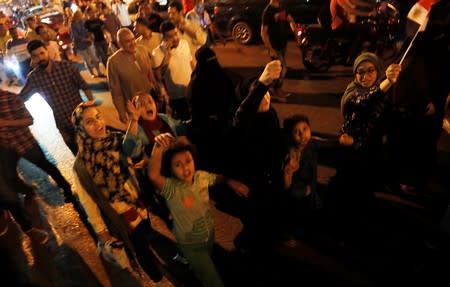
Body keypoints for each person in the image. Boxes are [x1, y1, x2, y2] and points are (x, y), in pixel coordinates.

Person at [71, 100, 165, 285]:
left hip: (139, 203)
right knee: (141, 250)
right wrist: (103, 234)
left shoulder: (115, 139)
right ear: (80, 129)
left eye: (98, 117)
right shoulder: (81, 166)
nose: (98, 124)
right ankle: (158, 279)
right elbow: (89, 204)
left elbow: (135, 152)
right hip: (122, 217)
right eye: (89, 122)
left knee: (148, 233)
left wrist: (141, 161)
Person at [148, 133, 249, 287]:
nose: (185, 167)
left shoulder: (201, 176)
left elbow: (217, 178)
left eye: (188, 161)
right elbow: (153, 175)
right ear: (171, 169)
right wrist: (158, 147)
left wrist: (230, 182)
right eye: (178, 165)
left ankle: (198, 272)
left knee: (215, 267)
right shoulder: (172, 188)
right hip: (192, 246)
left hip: (209, 236)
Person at [227, 60, 287, 251]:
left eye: (267, 92)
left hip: (273, 175)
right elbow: (243, 114)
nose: (265, 97)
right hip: (254, 180)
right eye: (260, 94)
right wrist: (262, 83)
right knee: (254, 218)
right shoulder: (243, 121)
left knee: (273, 211)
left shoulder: (271, 114)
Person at [19, 39, 94, 156]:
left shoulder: (65, 67)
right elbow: (20, 98)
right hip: (64, 124)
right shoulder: (34, 78)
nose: (41, 58)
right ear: (32, 58)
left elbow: (84, 86)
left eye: (42, 53)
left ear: (47, 51)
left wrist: (92, 107)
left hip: (82, 119)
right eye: (35, 56)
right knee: (79, 157)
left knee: (95, 152)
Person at [0, 88, 74, 203]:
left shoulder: (11, 98)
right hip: (7, 147)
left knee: (47, 166)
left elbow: (29, 120)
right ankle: (29, 192)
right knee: (10, 177)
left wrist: (6, 123)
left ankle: (66, 188)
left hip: (24, 143)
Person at [186, 45, 237, 171]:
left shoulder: (196, 81)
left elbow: (192, 104)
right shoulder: (225, 76)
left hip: (206, 128)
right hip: (222, 125)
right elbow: (233, 100)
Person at [107, 28, 160, 123]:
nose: (132, 43)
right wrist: (121, 112)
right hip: (135, 108)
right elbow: (115, 90)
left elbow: (150, 75)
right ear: (120, 44)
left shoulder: (142, 50)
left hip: (151, 101)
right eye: (127, 41)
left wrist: (158, 90)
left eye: (133, 39)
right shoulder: (113, 62)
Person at [152, 20, 193, 121]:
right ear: (164, 38)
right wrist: (167, 55)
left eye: (175, 34)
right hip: (176, 96)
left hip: (191, 91)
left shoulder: (184, 44)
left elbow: (191, 64)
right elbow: (158, 76)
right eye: (170, 36)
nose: (175, 38)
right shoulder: (157, 52)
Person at [261, 0, 296, 99]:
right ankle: (276, 89)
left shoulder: (282, 6)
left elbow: (290, 20)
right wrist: (270, 49)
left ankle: (267, 89)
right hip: (274, 46)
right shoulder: (268, 11)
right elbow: (263, 32)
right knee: (283, 68)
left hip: (283, 43)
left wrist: (294, 30)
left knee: (277, 69)